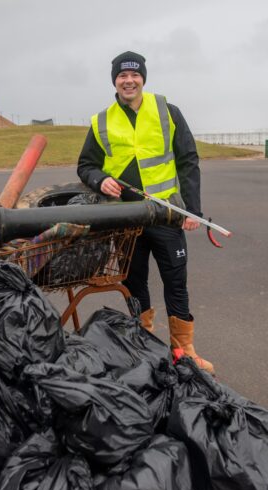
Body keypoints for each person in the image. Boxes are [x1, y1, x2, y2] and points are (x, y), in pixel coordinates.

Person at [77, 50, 214, 374]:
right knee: (134, 282)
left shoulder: (168, 111)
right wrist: (100, 180)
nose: (129, 81)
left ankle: (184, 350)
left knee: (175, 282)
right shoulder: (102, 121)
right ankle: (144, 346)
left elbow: (188, 160)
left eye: (134, 75)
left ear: (142, 78)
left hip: (165, 214)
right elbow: (86, 165)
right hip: (124, 219)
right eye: (122, 76)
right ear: (115, 81)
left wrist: (192, 210)